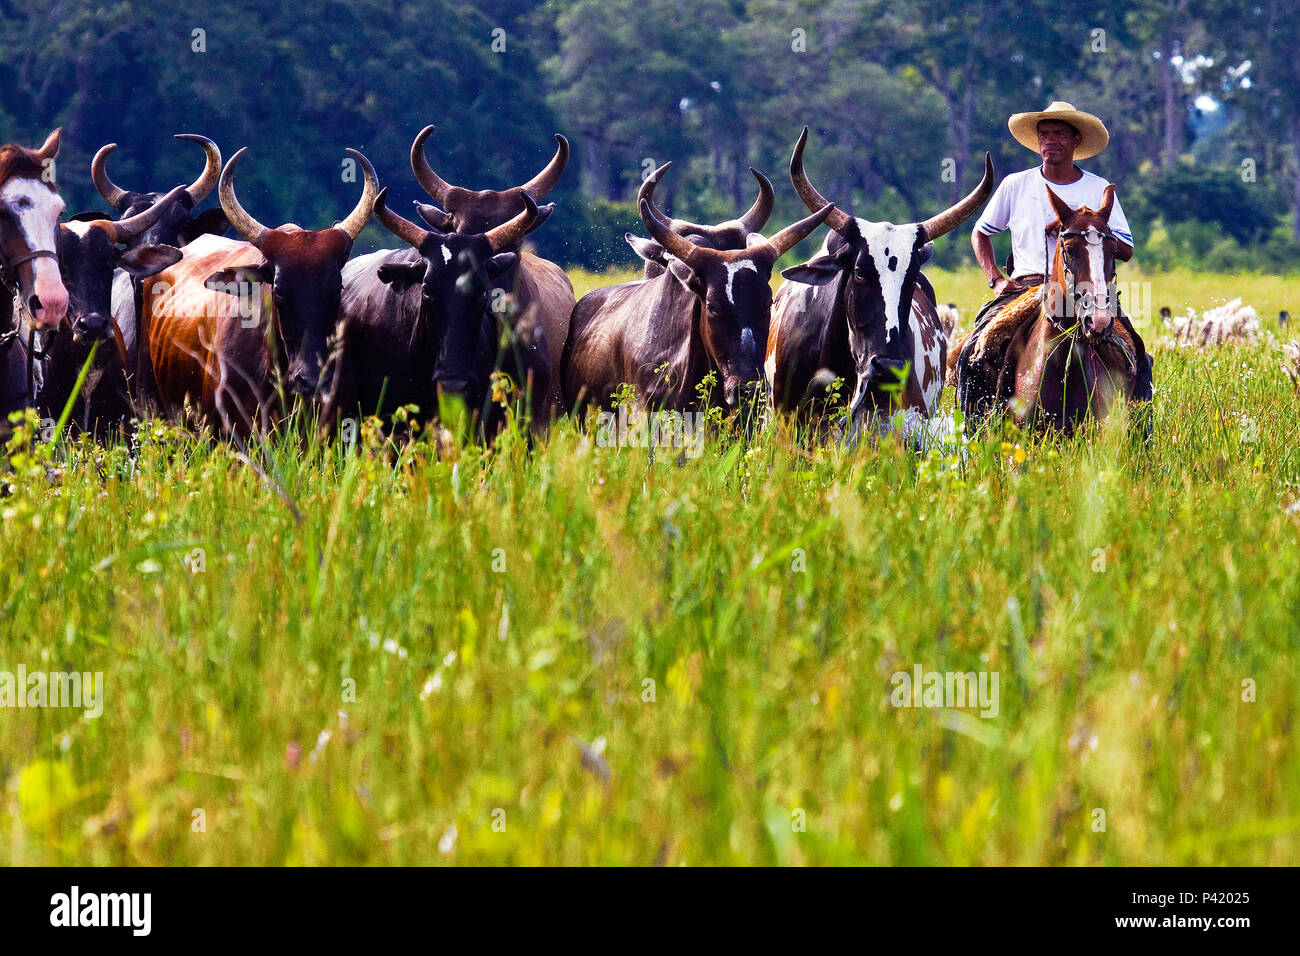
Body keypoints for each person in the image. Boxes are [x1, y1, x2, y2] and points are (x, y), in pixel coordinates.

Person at [972, 101, 1133, 299]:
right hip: (1027, 289)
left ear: (1076, 140)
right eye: (1044, 134)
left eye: (1059, 134)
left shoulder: (1098, 188)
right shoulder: (1015, 184)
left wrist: (1080, 226)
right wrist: (996, 279)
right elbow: (980, 233)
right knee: (986, 329)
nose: (1050, 140)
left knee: (1124, 330)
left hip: (1088, 292)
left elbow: (1126, 250)